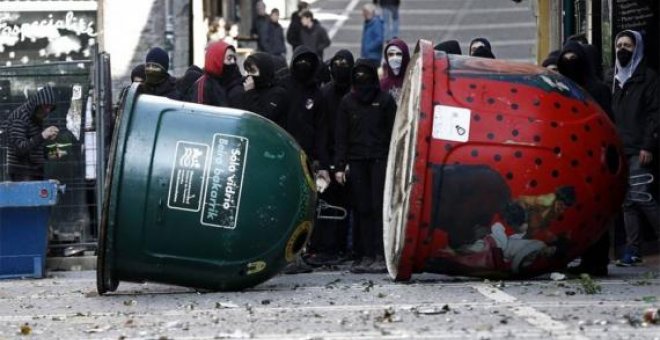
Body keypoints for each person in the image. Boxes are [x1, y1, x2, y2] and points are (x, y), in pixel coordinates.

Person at [335, 59, 397, 273]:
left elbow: (393, 134)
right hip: (357, 161)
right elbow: (341, 136)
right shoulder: (347, 103)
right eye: (358, 75)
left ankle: (381, 254)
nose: (362, 79)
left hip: (380, 160)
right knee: (362, 208)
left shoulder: (385, 100)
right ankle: (365, 254)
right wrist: (339, 166)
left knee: (379, 207)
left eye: (365, 74)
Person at [556, 41, 613, 276]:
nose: (571, 64)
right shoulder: (560, 88)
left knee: (595, 210)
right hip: (568, 160)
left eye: (574, 58)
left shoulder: (598, 90)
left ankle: (597, 261)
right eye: (566, 59)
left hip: (593, 159)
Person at [610, 30, 660, 267]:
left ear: (637, 48)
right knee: (627, 202)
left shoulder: (648, 78)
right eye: (619, 45)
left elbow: (654, 114)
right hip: (620, 148)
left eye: (628, 46)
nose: (622, 49)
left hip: (639, 148)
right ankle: (634, 250)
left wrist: (648, 144)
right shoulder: (614, 79)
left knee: (642, 196)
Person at [306, 49, 355, 267]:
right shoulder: (325, 94)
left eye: (345, 63)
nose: (341, 67)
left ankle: (344, 246)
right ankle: (325, 247)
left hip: (350, 157)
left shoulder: (355, 93)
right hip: (329, 156)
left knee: (347, 205)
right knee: (328, 205)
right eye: (338, 63)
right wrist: (325, 163)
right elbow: (322, 130)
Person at [281, 46, 328, 274]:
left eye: (308, 62)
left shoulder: (315, 93)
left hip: (306, 158)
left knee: (305, 206)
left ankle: (301, 252)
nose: (304, 67)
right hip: (285, 155)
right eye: (300, 62)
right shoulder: (284, 88)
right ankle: (286, 256)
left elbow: (320, 130)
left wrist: (319, 160)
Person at [5, 86, 59, 181]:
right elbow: (20, 149)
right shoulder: (20, 117)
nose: (47, 111)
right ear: (37, 104)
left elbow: (34, 148)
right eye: (46, 106)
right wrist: (43, 135)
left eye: (50, 108)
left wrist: (54, 152)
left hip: (34, 171)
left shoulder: (36, 118)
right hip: (22, 172)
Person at [234, 53, 288, 127]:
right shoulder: (247, 87)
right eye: (247, 71)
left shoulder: (277, 93)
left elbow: (263, 119)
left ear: (264, 70)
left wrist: (250, 93)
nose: (249, 75)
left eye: (253, 71)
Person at [186, 40, 244, 107]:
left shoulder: (236, 80)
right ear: (216, 60)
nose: (233, 62)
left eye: (234, 58)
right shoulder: (204, 85)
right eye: (229, 58)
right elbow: (200, 112)